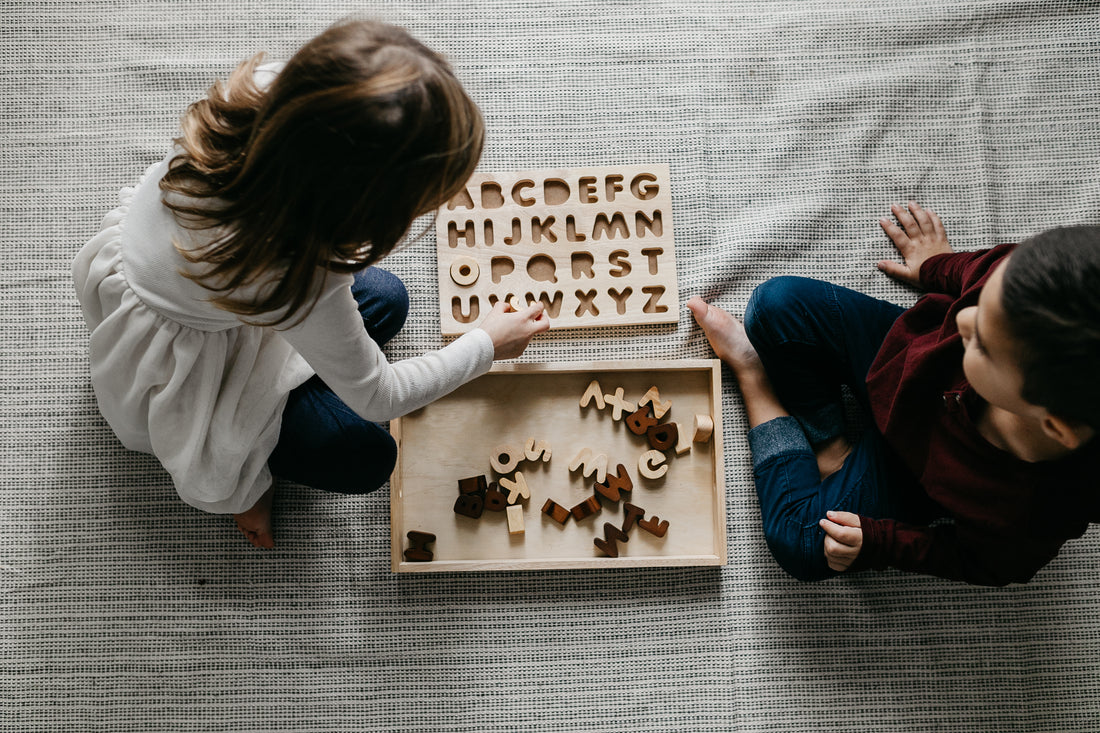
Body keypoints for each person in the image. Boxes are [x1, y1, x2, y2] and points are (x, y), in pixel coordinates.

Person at [72, 19, 549, 549]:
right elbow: (379, 397)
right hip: (189, 358)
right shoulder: (301, 272)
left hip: (181, 280)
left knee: (389, 297)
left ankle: (297, 388)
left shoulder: (265, 92)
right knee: (368, 457)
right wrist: (485, 344)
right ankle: (245, 481)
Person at [687, 201, 1100, 585]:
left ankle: (752, 374)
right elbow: (979, 269)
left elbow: (977, 563)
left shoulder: (1032, 512)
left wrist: (882, 542)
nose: (965, 317)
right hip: (899, 356)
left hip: (912, 472)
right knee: (774, 306)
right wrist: (936, 265)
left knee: (800, 541)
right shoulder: (1026, 283)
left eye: (983, 344)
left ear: (1054, 424)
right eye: (980, 302)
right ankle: (832, 445)